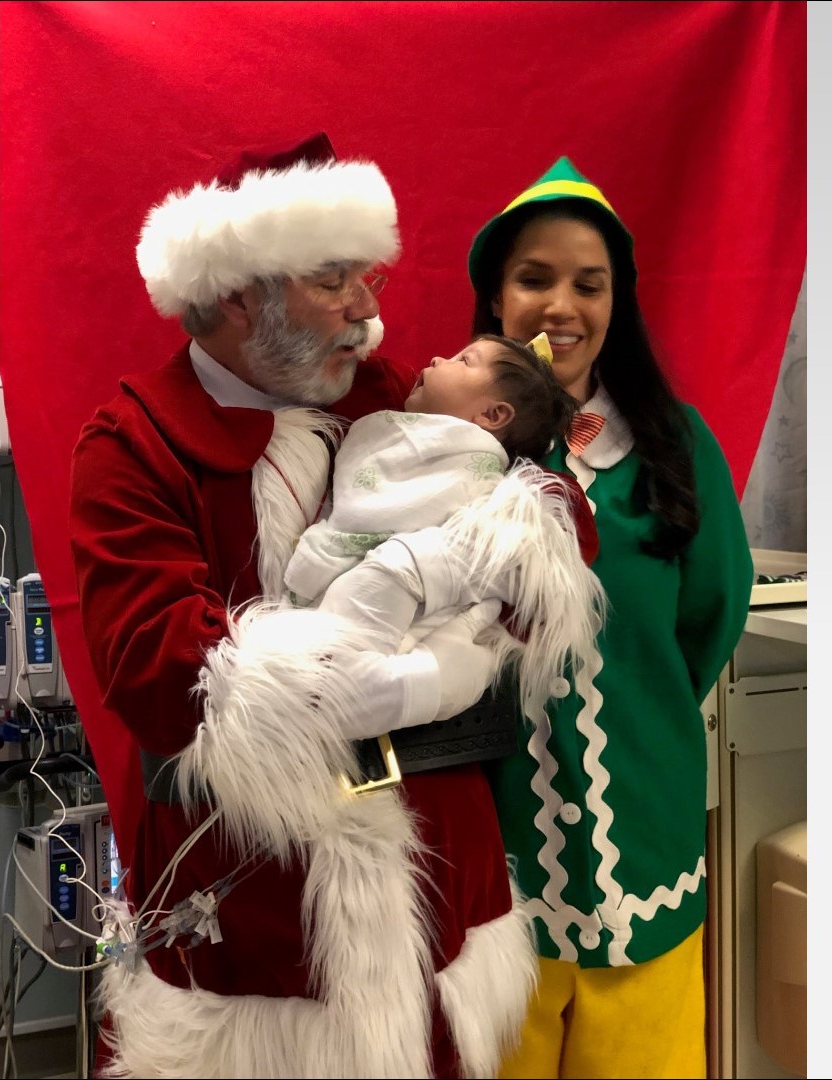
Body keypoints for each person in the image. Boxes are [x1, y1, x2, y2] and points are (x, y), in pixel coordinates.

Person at [66, 133, 593, 1079]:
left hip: (438, 893)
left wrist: (451, 577)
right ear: (236, 294)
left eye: (368, 276)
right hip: (256, 919)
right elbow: (166, 678)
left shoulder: (394, 398)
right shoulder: (130, 445)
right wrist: (432, 666)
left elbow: (554, 528)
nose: (367, 308)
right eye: (331, 278)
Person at [466, 157, 756, 1078]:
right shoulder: (444, 451)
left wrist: (640, 712)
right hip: (498, 857)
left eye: (588, 285)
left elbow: (710, 616)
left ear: (616, 302)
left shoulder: (675, 444)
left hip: (649, 835)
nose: (562, 307)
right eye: (534, 279)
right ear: (495, 297)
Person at [281, 332, 605, 727]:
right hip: (341, 624)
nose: (437, 358)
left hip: (410, 622)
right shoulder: (397, 431)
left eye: (464, 361)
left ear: (492, 416)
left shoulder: (476, 477)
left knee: (330, 673)